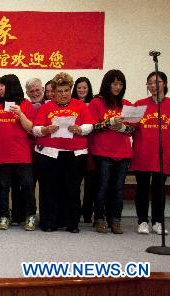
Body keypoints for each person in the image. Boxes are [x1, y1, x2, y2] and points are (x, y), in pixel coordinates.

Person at [32, 72, 94, 233]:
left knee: (72, 189)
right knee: (49, 188)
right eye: (60, 91)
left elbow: (90, 125)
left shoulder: (80, 106)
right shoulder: (46, 107)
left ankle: (71, 223)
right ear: (54, 91)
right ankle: (49, 222)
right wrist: (46, 129)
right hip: (50, 153)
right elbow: (35, 129)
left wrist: (80, 129)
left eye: (66, 90)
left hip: (75, 154)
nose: (63, 94)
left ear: (70, 89)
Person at [132, 71, 170, 235]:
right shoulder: (139, 104)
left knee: (159, 189)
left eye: (156, 82)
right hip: (142, 153)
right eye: (149, 83)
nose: (153, 86)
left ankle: (158, 221)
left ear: (164, 84)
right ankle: (143, 221)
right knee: (142, 188)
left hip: (163, 155)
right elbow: (132, 128)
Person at [89, 69, 133, 234]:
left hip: (123, 152)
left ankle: (115, 220)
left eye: (121, 84)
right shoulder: (96, 102)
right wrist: (109, 122)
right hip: (103, 152)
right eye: (115, 83)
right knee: (103, 186)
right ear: (107, 84)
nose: (118, 87)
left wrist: (122, 127)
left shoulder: (127, 104)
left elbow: (132, 129)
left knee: (118, 188)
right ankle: (99, 218)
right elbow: (93, 127)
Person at [0, 74, 37, 231]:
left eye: (2, 85)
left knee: (26, 187)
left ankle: (30, 215)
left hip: (21, 154)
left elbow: (30, 128)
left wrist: (20, 114)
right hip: (1, 155)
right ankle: (4, 216)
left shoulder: (25, 105)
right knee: (3, 187)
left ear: (10, 86)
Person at [71, 77, 97, 224]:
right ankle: (74, 212)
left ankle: (87, 212)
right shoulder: (70, 103)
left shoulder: (94, 104)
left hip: (92, 146)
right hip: (75, 147)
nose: (81, 90)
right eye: (79, 88)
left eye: (84, 88)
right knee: (74, 183)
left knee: (91, 183)